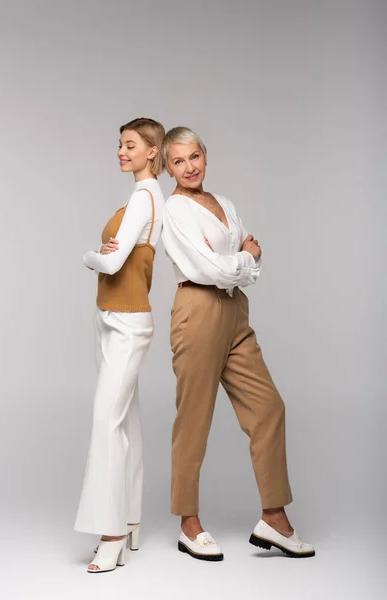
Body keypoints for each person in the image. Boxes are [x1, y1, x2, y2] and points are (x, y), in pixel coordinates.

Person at [161, 126, 315, 561]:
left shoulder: (223, 203)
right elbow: (213, 268)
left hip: (234, 311)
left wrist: (242, 262)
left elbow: (244, 264)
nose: (189, 167)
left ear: (205, 156)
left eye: (195, 157)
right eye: (178, 162)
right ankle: (188, 523)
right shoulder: (176, 210)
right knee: (194, 418)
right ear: (168, 167)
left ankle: (274, 518)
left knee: (268, 408)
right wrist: (245, 258)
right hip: (198, 310)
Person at [74, 117, 165, 573]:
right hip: (110, 317)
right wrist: (105, 254)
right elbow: (114, 256)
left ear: (153, 151)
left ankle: (110, 533)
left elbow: (111, 262)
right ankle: (129, 520)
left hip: (128, 321)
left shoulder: (147, 196)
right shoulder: (138, 196)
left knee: (106, 419)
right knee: (124, 421)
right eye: (119, 144)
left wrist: (91, 255)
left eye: (130, 145)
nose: (121, 151)